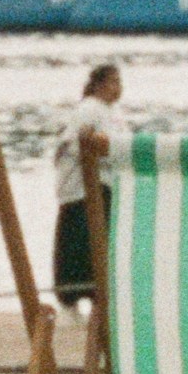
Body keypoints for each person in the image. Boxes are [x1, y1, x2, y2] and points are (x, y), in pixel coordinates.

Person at [57, 60, 131, 300]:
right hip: (85, 187)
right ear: (98, 85)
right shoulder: (89, 108)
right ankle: (73, 298)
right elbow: (76, 145)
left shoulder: (114, 112)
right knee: (80, 243)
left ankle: (101, 296)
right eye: (113, 81)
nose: (119, 87)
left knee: (103, 242)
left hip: (108, 183)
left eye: (120, 81)